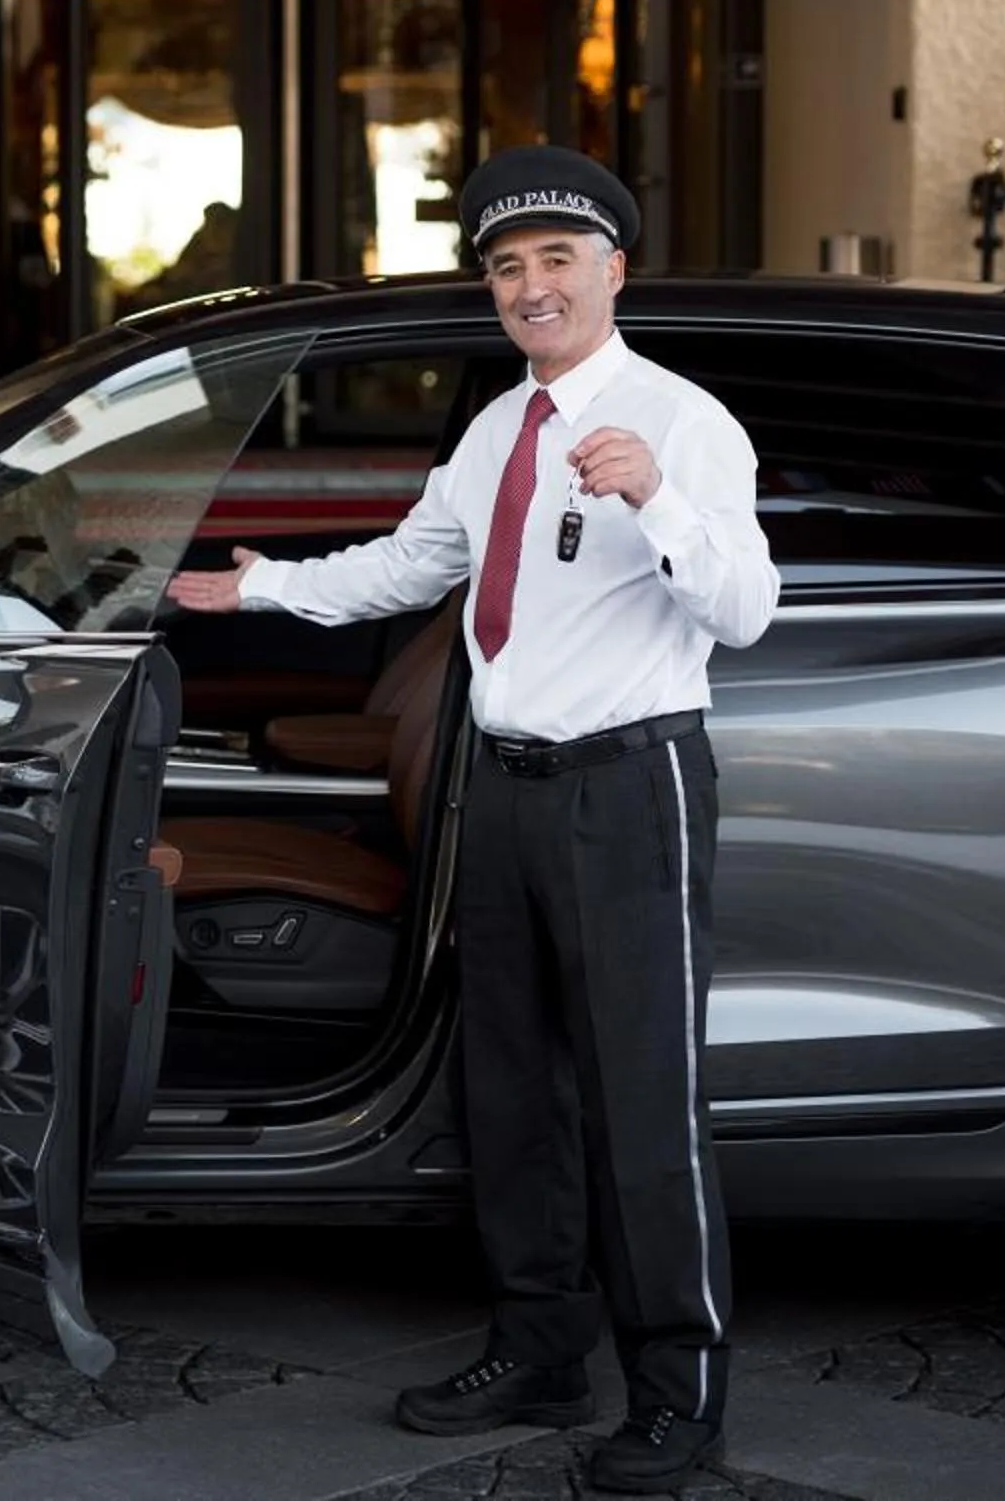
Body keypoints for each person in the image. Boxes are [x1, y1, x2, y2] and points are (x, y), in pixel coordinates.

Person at [168, 144, 780, 1493]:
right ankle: (541, 1345)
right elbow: (415, 564)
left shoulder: (682, 422)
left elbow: (745, 607)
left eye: (558, 258)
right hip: (502, 784)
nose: (531, 284)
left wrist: (655, 499)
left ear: (614, 269)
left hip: (632, 783)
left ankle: (680, 1390)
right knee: (507, 1085)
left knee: (644, 1100)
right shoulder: (500, 430)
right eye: (507, 266)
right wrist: (266, 587)